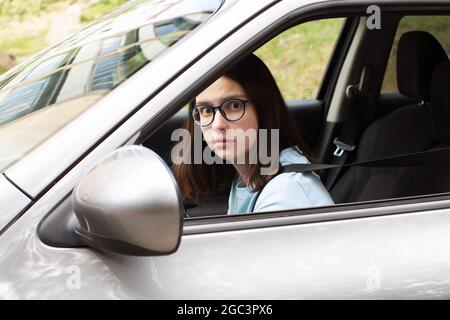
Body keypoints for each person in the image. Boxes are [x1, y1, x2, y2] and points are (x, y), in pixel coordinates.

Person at [172, 53, 334, 214]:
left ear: (264, 108)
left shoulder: (286, 195)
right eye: (206, 110)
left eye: (234, 105)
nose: (218, 124)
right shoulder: (249, 176)